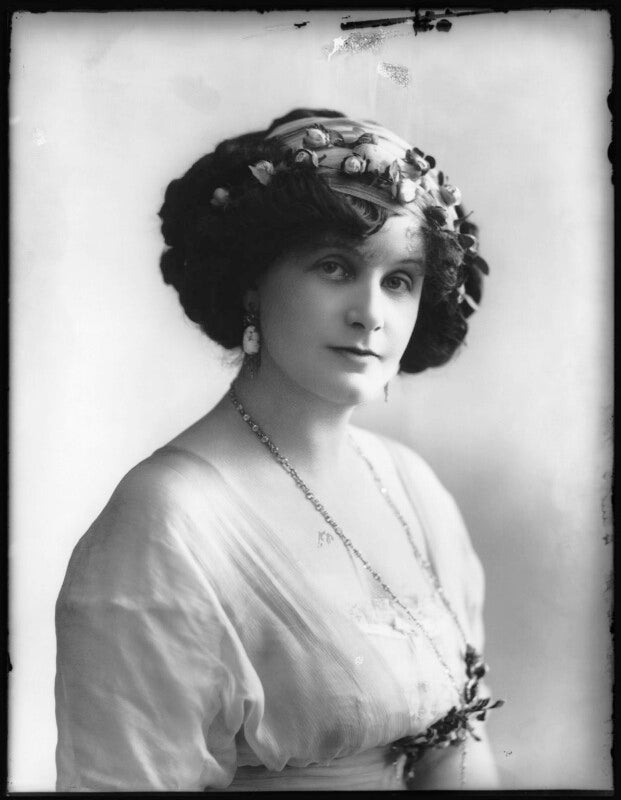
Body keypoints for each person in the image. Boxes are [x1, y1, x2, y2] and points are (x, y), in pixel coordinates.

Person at [55, 107, 502, 791]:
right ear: (252, 285)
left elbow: (460, 750)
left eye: (398, 280)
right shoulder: (166, 522)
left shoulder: (411, 486)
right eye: (334, 266)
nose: (370, 314)